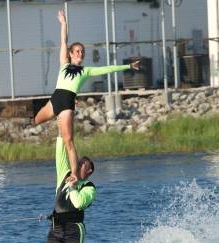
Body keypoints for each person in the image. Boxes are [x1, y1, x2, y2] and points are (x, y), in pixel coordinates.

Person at [34, 9, 140, 184]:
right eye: (77, 51)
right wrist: (64, 23)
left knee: (69, 141)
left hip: (67, 103)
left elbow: (108, 68)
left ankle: (74, 175)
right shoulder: (63, 64)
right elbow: (64, 41)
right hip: (55, 99)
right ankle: (42, 122)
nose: (80, 53)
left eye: (82, 51)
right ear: (71, 53)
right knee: (36, 121)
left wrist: (128, 66)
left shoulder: (86, 70)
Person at [43, 135, 96, 243]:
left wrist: (73, 187)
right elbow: (61, 150)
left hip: (74, 230)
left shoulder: (89, 188)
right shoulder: (63, 177)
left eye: (80, 164)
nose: (76, 164)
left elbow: (78, 203)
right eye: (76, 161)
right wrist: (62, 131)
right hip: (56, 229)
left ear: (89, 170)